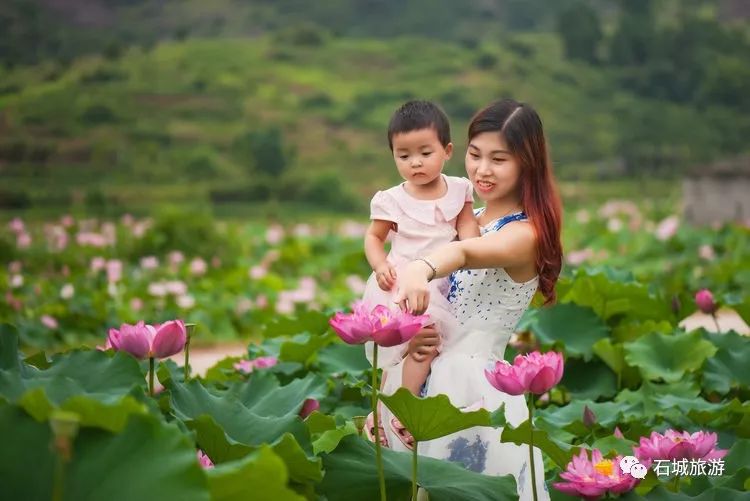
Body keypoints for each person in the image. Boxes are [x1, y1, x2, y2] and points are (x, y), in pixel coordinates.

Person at [384, 98, 563, 500]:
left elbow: (464, 254)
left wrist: (420, 268)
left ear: (526, 163)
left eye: (499, 159)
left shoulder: (525, 235)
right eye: (475, 154)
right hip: (424, 380)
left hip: (476, 395)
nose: (482, 170)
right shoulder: (465, 218)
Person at [362, 100, 480, 439]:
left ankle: (383, 413)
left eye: (425, 153)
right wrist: (380, 262)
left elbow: (468, 232)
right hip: (400, 283)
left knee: (421, 348)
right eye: (404, 155)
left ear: (447, 150)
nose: (415, 162)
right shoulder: (390, 199)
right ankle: (402, 411)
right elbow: (373, 237)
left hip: (441, 282)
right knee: (406, 348)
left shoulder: (460, 190)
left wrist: (475, 255)